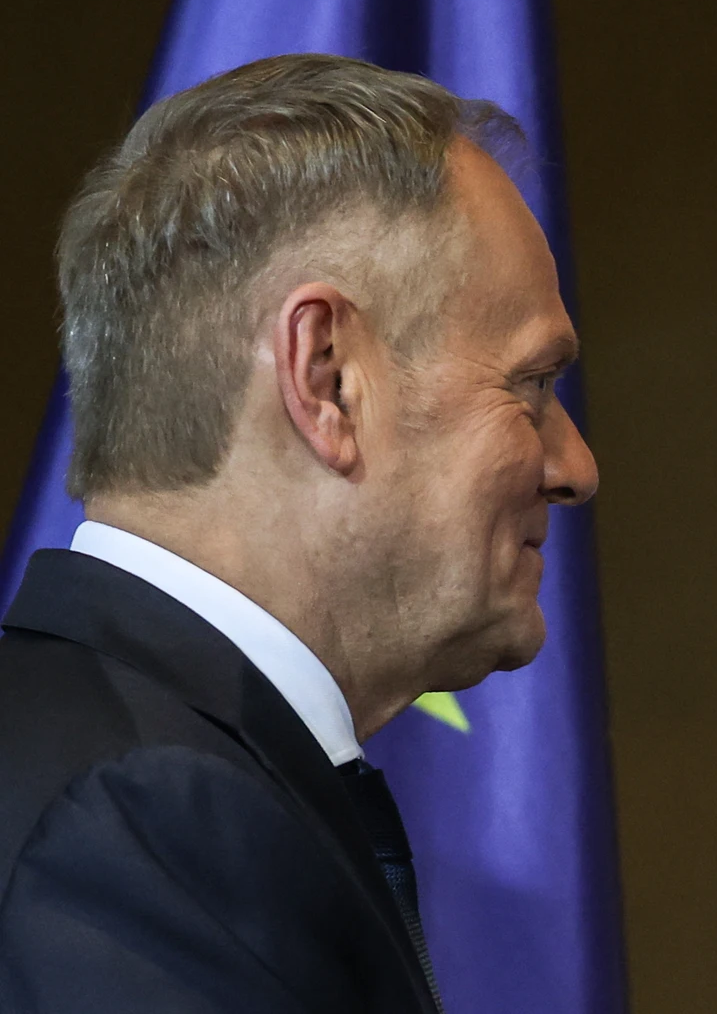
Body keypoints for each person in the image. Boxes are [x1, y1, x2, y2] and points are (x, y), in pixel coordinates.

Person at [0, 54, 597, 1012]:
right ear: (326, 377)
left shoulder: (126, 760)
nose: (575, 468)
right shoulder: (143, 819)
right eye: (530, 385)